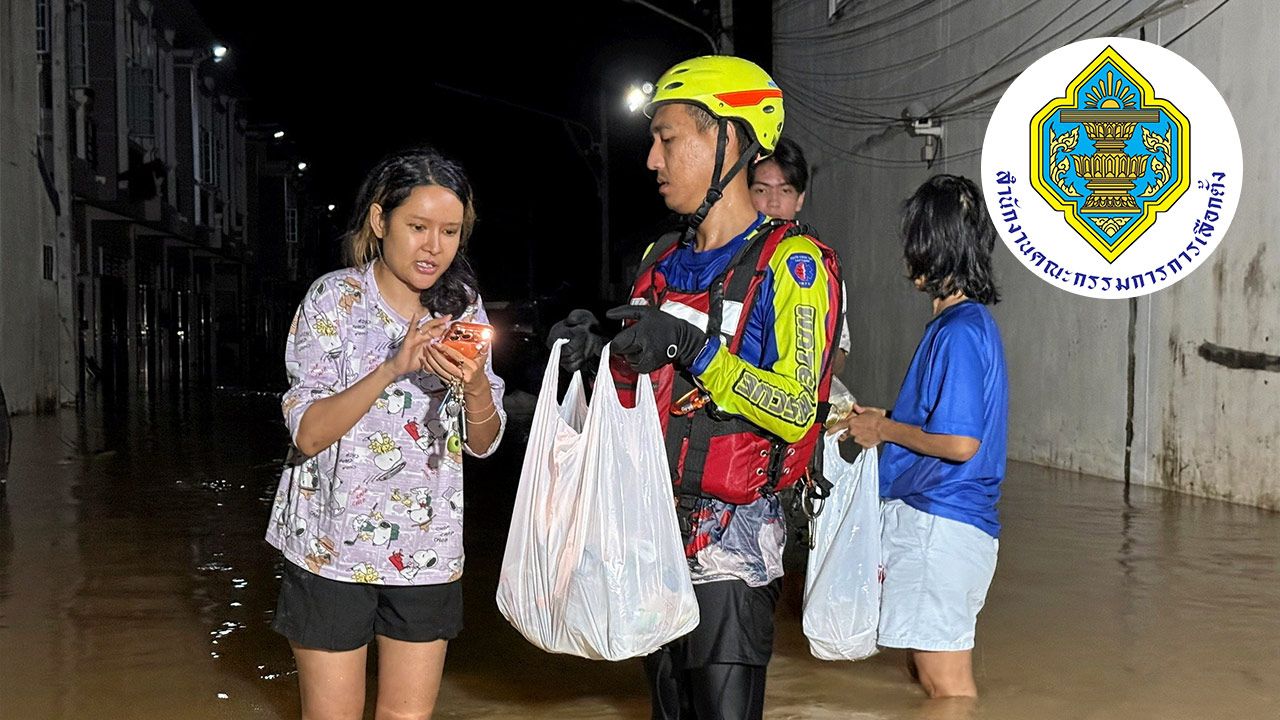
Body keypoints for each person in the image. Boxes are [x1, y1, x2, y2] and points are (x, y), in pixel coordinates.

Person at [556, 55, 843, 720]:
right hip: (650, 536)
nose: (652, 160)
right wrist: (596, 358)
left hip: (733, 552)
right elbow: (639, 394)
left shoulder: (794, 265)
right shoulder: (659, 258)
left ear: (728, 140)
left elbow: (797, 408)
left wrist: (693, 348)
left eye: (668, 138)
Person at [266, 147, 506, 720]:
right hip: (329, 551)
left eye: (449, 231)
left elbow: (484, 442)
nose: (434, 247)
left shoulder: (463, 308)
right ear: (380, 220)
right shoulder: (333, 299)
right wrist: (393, 367)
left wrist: (475, 383)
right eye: (418, 227)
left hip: (427, 551)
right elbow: (308, 435)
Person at [831, 174, 1007, 699]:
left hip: (940, 523)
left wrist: (883, 429)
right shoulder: (967, 325)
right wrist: (885, 417)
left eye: (915, 239)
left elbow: (960, 443)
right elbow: (944, 421)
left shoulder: (957, 331)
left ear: (934, 245)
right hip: (944, 523)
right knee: (924, 671)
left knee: (945, 687)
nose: (908, 253)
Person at [747, 137, 851, 375]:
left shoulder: (819, 266)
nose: (773, 203)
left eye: (785, 190)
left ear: (800, 199)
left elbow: (838, 358)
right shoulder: (730, 259)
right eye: (761, 190)